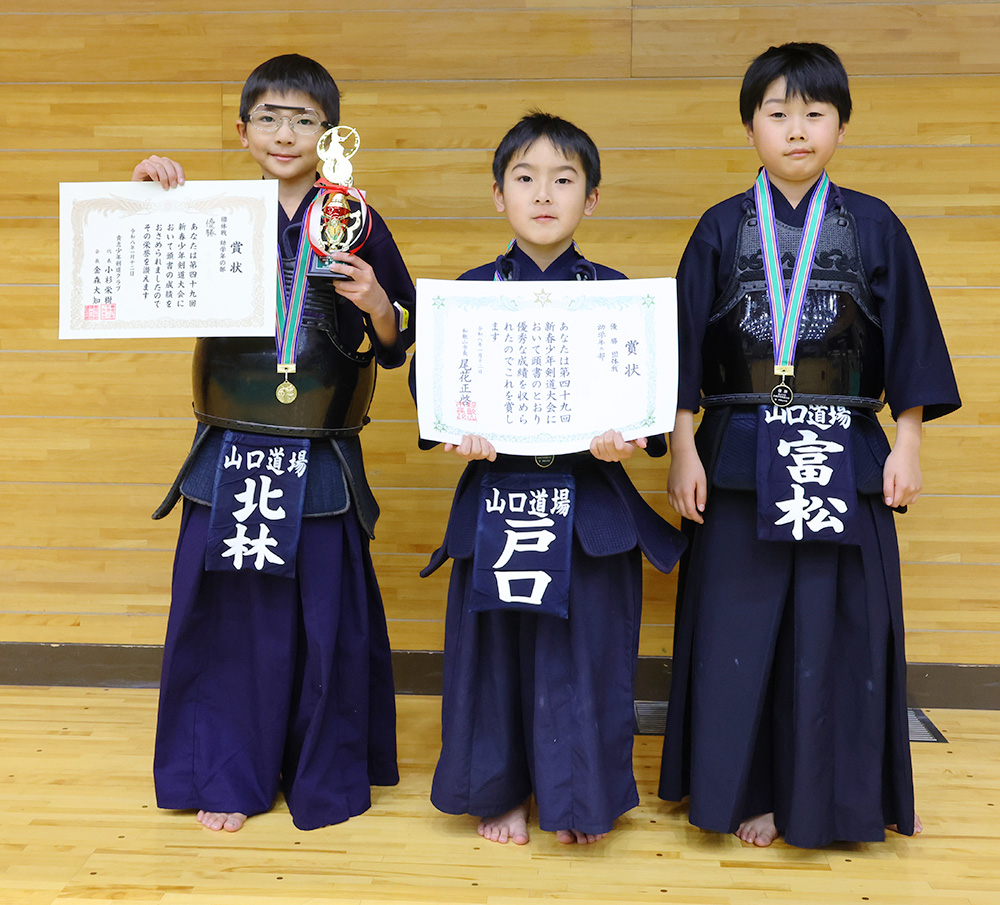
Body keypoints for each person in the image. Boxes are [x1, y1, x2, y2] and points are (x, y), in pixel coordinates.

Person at [657, 42, 961, 848]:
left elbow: (911, 343)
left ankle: (839, 795)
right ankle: (746, 791)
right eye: (778, 113)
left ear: (841, 126)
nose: (797, 130)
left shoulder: (875, 225)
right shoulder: (720, 228)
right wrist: (683, 449)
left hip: (845, 453)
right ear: (750, 127)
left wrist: (907, 442)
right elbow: (681, 350)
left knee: (838, 632)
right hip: (737, 454)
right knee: (739, 630)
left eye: (815, 113)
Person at [134, 53, 416, 832]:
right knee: (230, 614)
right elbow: (136, 263)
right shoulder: (209, 210)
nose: (285, 133)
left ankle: (323, 771)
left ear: (330, 135)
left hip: (320, 448)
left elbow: (400, 340)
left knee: (324, 614)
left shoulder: (353, 217)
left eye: (303, 119)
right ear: (242, 130)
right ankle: (229, 770)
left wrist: (377, 302)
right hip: (230, 443)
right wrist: (149, 193)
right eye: (269, 117)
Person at [413, 113, 686, 846]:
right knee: (494, 658)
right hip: (497, 496)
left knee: (587, 658)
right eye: (525, 178)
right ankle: (498, 793)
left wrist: (628, 438)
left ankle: (579, 799)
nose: (543, 194)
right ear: (497, 195)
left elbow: (650, 402)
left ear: (590, 199)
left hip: (589, 501)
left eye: (563, 180)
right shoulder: (468, 297)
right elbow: (433, 391)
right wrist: (457, 430)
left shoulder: (618, 297)